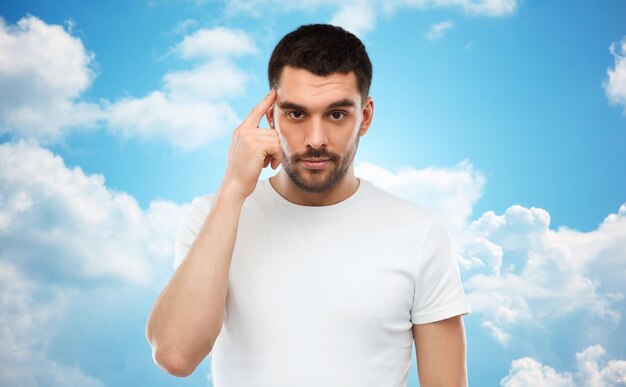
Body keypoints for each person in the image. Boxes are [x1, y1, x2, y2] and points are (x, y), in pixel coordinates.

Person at [145, 24, 471, 387]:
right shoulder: (214, 215)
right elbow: (175, 355)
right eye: (296, 114)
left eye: (336, 114)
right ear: (271, 117)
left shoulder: (419, 231)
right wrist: (234, 189)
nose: (315, 140)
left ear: (364, 117)